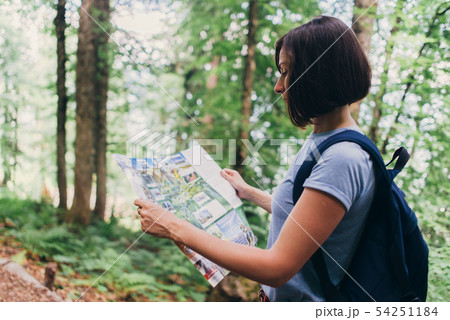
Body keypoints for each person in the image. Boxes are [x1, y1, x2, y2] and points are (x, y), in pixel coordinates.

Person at [134, 15, 375, 302]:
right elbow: (307, 219)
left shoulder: (342, 158)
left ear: (317, 74)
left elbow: (277, 268)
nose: (278, 86)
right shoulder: (325, 137)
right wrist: (248, 193)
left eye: (286, 72)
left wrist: (174, 226)